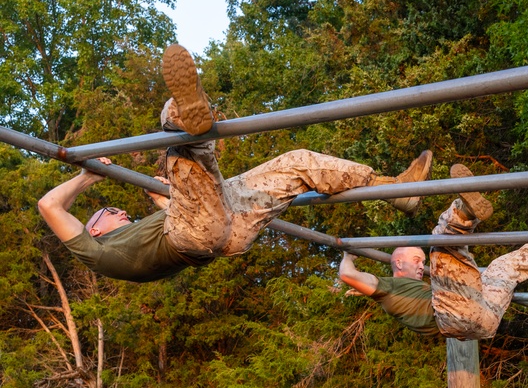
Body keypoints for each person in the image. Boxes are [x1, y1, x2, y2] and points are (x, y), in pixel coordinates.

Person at [37, 44, 432, 283]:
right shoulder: (97, 253)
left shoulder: (136, 242)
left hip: (224, 231)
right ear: (93, 229)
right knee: (183, 147)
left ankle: (394, 191)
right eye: (109, 211)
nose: (119, 208)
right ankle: (184, 114)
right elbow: (49, 206)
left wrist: (162, 196)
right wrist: (88, 176)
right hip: (198, 233)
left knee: (296, 164)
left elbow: (184, 210)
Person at [338, 164, 528, 340]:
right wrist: (348, 252)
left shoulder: (423, 289)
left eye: (421, 261)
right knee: (441, 244)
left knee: (505, 268)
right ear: (397, 262)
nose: (420, 266)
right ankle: (465, 211)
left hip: (485, 320)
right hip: (453, 316)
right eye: (415, 260)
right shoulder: (388, 288)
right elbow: (347, 275)